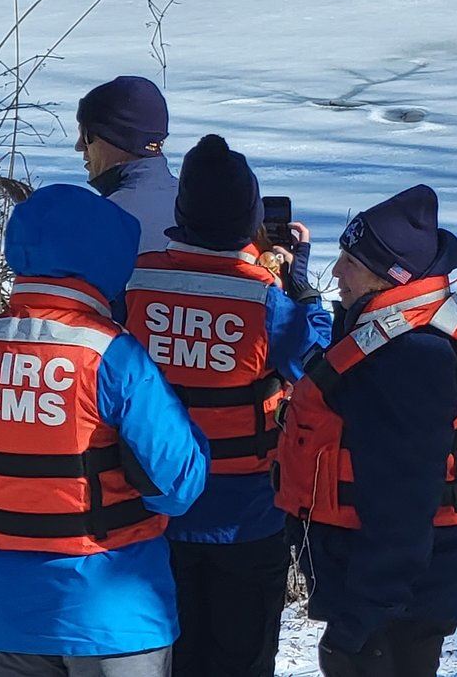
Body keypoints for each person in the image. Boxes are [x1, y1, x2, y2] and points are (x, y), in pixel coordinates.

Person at [0, 183, 209, 676]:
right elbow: (178, 487)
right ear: (104, 260)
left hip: (4, 608)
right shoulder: (113, 354)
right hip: (113, 611)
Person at [124, 136, 330, 677]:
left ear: (182, 212)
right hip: (246, 515)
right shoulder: (262, 297)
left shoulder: (137, 281)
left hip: (155, 507)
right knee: (242, 660)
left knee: (172, 658)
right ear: (250, 220)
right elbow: (316, 363)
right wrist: (300, 285)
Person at [274, 186, 457, 677]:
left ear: (388, 275)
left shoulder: (415, 354)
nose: (336, 273)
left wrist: (362, 612)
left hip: (394, 589)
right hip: (409, 577)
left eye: (349, 262)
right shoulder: (411, 321)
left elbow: (406, 498)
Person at [77, 75, 175, 255]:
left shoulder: (100, 224)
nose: (79, 147)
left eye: (86, 137)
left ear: (116, 139)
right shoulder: (207, 210)